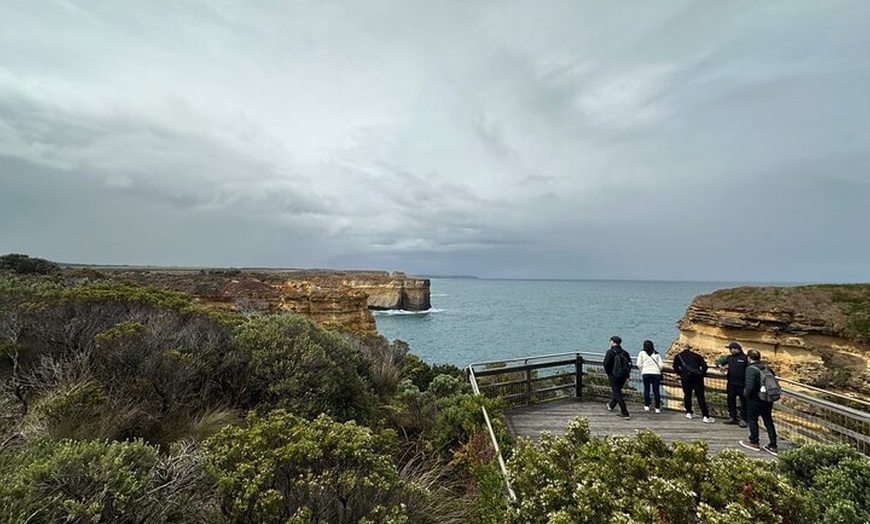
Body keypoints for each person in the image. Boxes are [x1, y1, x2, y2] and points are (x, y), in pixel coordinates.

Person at [739, 349, 779, 455]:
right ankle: (773, 445)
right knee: (768, 421)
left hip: (755, 399)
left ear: (748, 358)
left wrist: (745, 396)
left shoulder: (750, 369)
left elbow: (750, 386)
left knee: (752, 420)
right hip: (767, 399)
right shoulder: (767, 367)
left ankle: (754, 442)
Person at [672, 343, 715, 423]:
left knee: (687, 395)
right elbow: (705, 367)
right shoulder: (697, 356)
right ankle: (705, 416)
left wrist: (681, 373)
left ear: (683, 348)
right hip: (697, 378)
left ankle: (689, 412)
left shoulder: (678, 356)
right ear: (690, 348)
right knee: (700, 396)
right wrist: (701, 374)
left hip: (685, 378)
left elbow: (675, 366)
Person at [715, 341, 748, 427]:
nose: (731, 350)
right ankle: (733, 417)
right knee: (731, 401)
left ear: (738, 349)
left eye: (733, 348)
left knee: (744, 402)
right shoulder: (729, 358)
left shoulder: (745, 358)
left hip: (742, 384)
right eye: (730, 349)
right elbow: (718, 362)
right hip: (731, 384)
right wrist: (721, 367)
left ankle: (743, 419)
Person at [603, 335, 631, 420]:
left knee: (617, 393)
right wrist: (627, 374)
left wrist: (609, 373)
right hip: (623, 375)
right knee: (617, 391)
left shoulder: (610, 352)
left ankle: (625, 412)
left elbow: (606, 364)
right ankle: (611, 405)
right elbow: (629, 364)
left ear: (613, 342)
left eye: (610, 341)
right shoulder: (625, 352)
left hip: (613, 375)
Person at [636, 340, 663, 413]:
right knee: (656, 391)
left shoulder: (642, 353)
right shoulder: (656, 354)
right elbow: (661, 365)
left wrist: (643, 369)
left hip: (646, 373)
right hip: (656, 373)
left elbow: (638, 364)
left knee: (647, 389)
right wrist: (657, 370)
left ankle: (647, 406)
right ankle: (657, 408)